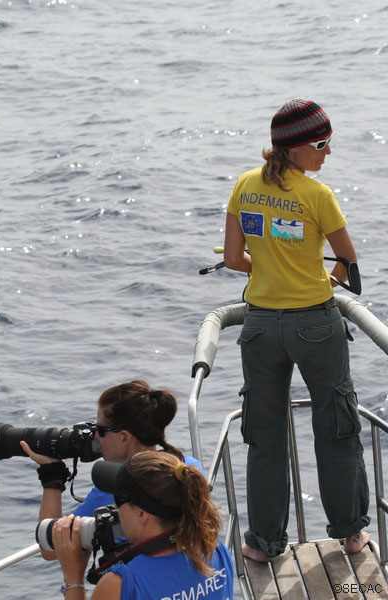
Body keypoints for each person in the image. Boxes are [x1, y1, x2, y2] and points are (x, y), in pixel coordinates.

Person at [224, 98, 370, 562]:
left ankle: (264, 544)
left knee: (264, 436)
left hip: (261, 327)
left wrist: (268, 273)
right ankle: (349, 534)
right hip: (315, 324)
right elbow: (348, 264)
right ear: (294, 149)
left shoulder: (245, 185)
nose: (327, 153)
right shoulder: (317, 195)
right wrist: (320, 280)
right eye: (321, 144)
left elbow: (232, 260)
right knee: (337, 427)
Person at [21, 380, 203, 559]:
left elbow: (51, 548)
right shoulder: (188, 468)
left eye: (100, 429)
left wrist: (51, 476)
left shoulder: (112, 492)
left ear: (125, 437)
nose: (95, 437)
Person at [51, 451, 234, 599]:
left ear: (141, 514)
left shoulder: (120, 584)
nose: (114, 508)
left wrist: (73, 578)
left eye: (118, 500)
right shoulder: (215, 550)